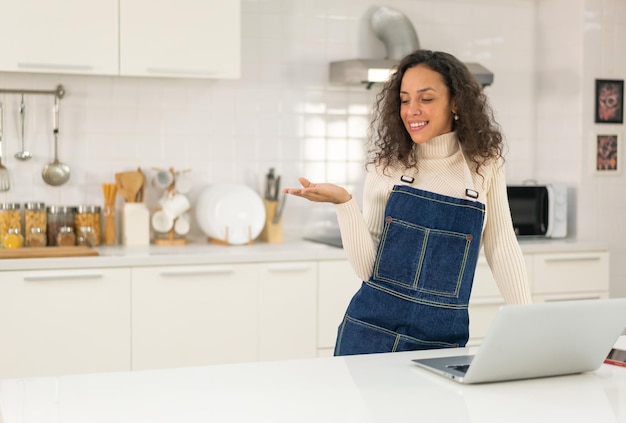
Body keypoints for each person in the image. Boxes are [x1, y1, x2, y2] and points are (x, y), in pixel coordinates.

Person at [284, 49, 532, 356]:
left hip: (442, 344)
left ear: (456, 102)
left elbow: (501, 245)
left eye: (425, 99)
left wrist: (527, 323)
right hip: (370, 338)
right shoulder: (388, 167)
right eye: (404, 99)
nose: (412, 110)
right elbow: (367, 271)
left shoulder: (484, 165)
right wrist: (344, 203)